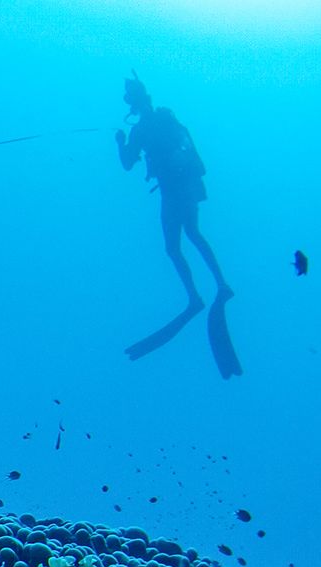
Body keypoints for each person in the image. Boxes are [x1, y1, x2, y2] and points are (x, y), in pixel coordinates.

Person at [118, 79, 238, 375]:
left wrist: (121, 142)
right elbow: (134, 161)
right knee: (183, 241)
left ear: (136, 103)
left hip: (177, 188)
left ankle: (207, 291)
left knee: (182, 242)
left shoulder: (150, 124)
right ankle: (209, 289)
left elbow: (128, 163)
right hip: (178, 188)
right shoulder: (158, 121)